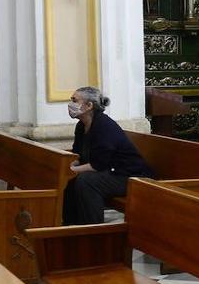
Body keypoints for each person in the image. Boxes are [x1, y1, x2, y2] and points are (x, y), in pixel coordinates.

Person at [63, 87, 154, 225]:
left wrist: (71, 170)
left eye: (75, 100)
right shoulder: (81, 126)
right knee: (69, 179)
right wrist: (67, 166)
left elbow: (98, 164)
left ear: (89, 105)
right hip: (111, 172)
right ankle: (71, 226)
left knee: (86, 181)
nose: (71, 104)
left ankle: (93, 229)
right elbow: (78, 155)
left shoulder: (103, 125)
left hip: (131, 176)